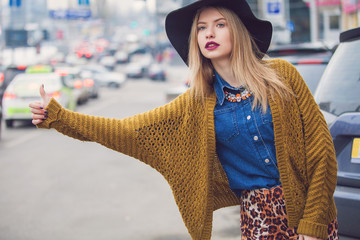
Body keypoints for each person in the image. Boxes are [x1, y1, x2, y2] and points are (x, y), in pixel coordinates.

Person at [29, 0, 338, 239]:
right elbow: (125, 131)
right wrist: (59, 116)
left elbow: (321, 151)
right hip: (258, 219)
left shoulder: (282, 76)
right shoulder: (194, 105)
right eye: (202, 28)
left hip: (313, 211)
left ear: (237, 30)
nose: (210, 34)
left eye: (219, 25)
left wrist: (312, 222)